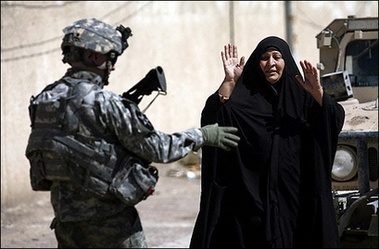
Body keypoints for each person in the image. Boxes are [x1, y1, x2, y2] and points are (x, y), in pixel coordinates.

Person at [25, 18, 240, 248]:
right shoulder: (104, 102)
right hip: (111, 225)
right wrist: (202, 135)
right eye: (111, 58)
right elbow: (158, 148)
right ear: (94, 57)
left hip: (67, 223)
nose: (113, 66)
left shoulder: (44, 100)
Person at [189, 37, 345, 248]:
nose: (271, 63)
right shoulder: (244, 102)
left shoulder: (303, 99)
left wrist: (318, 93)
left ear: (286, 61)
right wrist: (229, 82)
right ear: (257, 63)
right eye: (264, 58)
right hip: (253, 204)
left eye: (277, 57)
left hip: (296, 202)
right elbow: (215, 118)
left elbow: (332, 119)